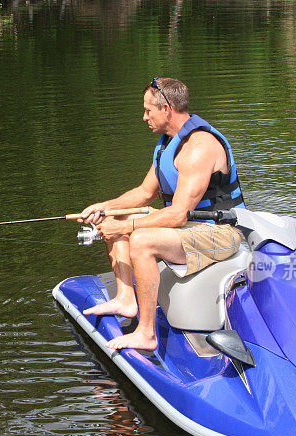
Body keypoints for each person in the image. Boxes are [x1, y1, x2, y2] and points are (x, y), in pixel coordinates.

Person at [79, 77, 245, 351]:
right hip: (190, 225)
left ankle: (146, 334)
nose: (144, 117)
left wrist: (126, 228)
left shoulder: (198, 147)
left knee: (140, 239)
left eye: (148, 110)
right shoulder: (168, 143)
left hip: (224, 232)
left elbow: (179, 215)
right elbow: (145, 193)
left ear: (166, 109)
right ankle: (126, 299)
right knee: (116, 217)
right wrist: (104, 208)